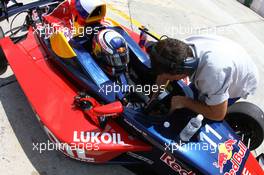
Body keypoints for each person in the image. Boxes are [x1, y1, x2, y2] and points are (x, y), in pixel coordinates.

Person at [147, 35, 259, 121]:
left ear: (181, 72)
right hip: (228, 55)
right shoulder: (181, 49)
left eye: (169, 78)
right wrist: (154, 96)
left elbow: (218, 114)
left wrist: (185, 102)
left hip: (241, 80)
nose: (167, 80)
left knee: (198, 117)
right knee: (192, 98)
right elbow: (162, 75)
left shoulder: (212, 76)